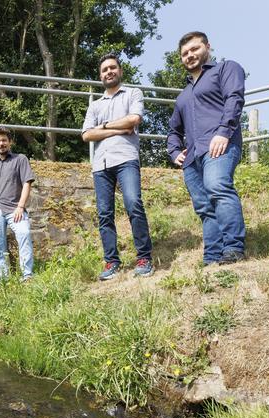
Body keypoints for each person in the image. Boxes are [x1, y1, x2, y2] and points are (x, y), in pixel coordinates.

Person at [167, 31, 247, 266]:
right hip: (192, 158)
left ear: (207, 47)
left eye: (194, 49)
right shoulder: (182, 96)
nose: (189, 55)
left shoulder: (225, 69)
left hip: (219, 145)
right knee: (203, 206)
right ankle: (212, 256)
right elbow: (173, 130)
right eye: (184, 53)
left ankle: (233, 248)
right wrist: (174, 152)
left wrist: (223, 131)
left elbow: (234, 98)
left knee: (218, 187)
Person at [82, 52, 154, 281]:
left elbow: (134, 120)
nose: (109, 72)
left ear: (120, 71)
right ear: (100, 75)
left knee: (133, 204)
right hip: (100, 165)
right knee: (105, 214)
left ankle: (144, 258)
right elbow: (86, 134)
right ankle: (111, 261)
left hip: (126, 159)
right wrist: (117, 129)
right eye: (104, 70)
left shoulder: (133, 93)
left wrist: (103, 127)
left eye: (112, 68)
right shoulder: (95, 105)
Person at [0, 127, 36, 281]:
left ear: (10, 142)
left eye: (4, 140)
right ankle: (4, 281)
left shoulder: (20, 159)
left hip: (14, 208)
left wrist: (21, 206)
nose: (1, 143)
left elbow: (27, 183)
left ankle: (27, 276)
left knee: (24, 233)